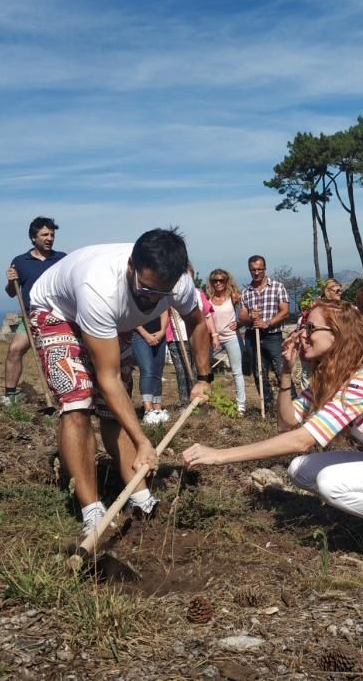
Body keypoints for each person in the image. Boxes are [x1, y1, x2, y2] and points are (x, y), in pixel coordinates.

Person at [183, 300, 363, 574]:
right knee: (301, 470)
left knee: (330, 482)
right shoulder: (333, 375)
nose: (302, 333)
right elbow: (287, 425)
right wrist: (287, 371)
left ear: (338, 333)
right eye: (304, 326)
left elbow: (302, 440)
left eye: (310, 327)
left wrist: (220, 455)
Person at [28, 228, 213, 535]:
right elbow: (108, 377)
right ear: (131, 267)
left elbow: (196, 322)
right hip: (58, 312)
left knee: (112, 411)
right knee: (78, 401)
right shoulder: (98, 285)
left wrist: (204, 377)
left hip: (114, 320)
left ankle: (138, 495)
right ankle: (92, 509)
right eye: (145, 289)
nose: (151, 299)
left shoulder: (177, 283)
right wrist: (143, 441)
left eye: (160, 294)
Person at [3, 217, 66, 404]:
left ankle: (63, 395)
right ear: (33, 238)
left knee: (55, 356)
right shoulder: (20, 261)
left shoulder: (62, 258)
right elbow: (11, 293)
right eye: (44, 234)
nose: (49, 238)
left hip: (57, 315)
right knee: (15, 349)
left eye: (52, 235)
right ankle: (10, 394)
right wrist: (10, 281)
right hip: (30, 316)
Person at [239, 255, 289, 414]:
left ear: (265, 268)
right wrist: (250, 318)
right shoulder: (246, 292)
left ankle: (292, 405)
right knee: (259, 373)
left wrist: (267, 323)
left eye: (259, 269)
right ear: (249, 270)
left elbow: (285, 311)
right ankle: (268, 408)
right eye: (253, 270)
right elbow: (242, 317)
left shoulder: (277, 287)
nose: (256, 272)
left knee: (281, 371)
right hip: (253, 337)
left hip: (273, 336)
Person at [165, 268, 216, 407]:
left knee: (197, 371)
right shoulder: (169, 292)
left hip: (196, 337)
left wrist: (214, 335)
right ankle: (184, 403)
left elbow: (206, 316)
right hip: (177, 337)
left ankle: (199, 402)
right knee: (182, 373)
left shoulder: (199, 294)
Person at [207, 268, 247, 413]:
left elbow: (243, 313)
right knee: (205, 369)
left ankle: (241, 406)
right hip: (214, 339)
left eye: (221, 280)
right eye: (215, 280)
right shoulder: (208, 300)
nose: (218, 283)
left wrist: (239, 323)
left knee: (237, 371)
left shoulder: (234, 297)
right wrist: (213, 335)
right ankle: (207, 400)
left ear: (226, 281)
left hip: (232, 338)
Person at [132, 315, 168, 425]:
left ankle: (157, 409)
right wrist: (145, 334)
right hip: (139, 335)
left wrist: (162, 331)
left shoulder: (162, 298)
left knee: (158, 371)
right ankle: (148, 410)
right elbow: (131, 315)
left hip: (159, 335)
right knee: (148, 370)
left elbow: (164, 310)